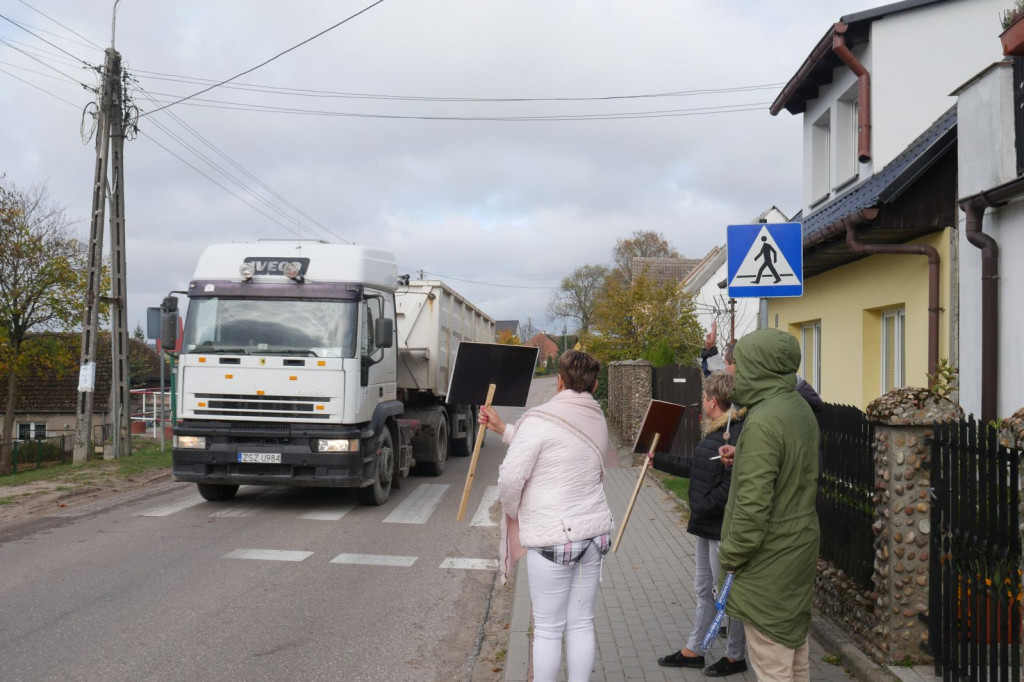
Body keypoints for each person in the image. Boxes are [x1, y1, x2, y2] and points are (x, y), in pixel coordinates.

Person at [479, 349, 614, 682]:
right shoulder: (596, 419)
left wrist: (515, 512)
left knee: (549, 628)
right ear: (596, 385)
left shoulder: (539, 420)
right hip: (593, 535)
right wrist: (503, 429)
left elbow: (512, 477)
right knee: (582, 622)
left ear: (558, 381)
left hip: (553, 537)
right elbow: (560, 448)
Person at [716, 329, 820, 682]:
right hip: (797, 546)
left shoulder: (763, 420)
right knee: (794, 654)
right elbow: (790, 469)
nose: (735, 373)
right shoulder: (797, 407)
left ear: (759, 367)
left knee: (773, 665)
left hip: (768, 559)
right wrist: (742, 455)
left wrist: (730, 556)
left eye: (741, 365)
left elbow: (752, 508)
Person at [649, 371, 749, 676]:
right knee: (704, 588)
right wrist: (659, 460)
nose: (701, 402)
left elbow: (732, 486)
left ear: (714, 401)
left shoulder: (736, 435)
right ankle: (694, 649)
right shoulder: (714, 434)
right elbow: (698, 468)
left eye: (704, 397)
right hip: (706, 528)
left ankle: (735, 656)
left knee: (728, 596)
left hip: (721, 529)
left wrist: (703, 506)